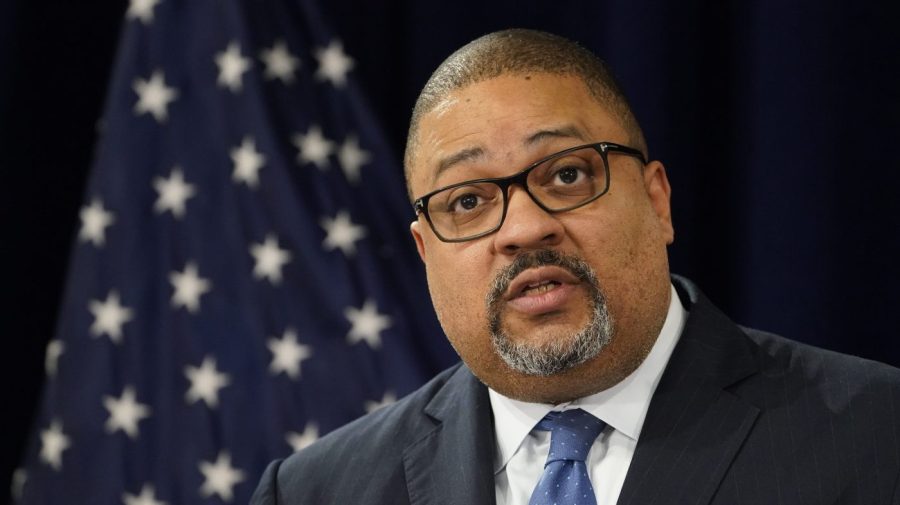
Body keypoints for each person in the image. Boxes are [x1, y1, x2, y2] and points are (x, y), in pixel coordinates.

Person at [251, 29, 900, 505]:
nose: (525, 228)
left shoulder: (876, 435)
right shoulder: (315, 491)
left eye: (566, 174)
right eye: (469, 200)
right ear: (426, 252)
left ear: (657, 200)